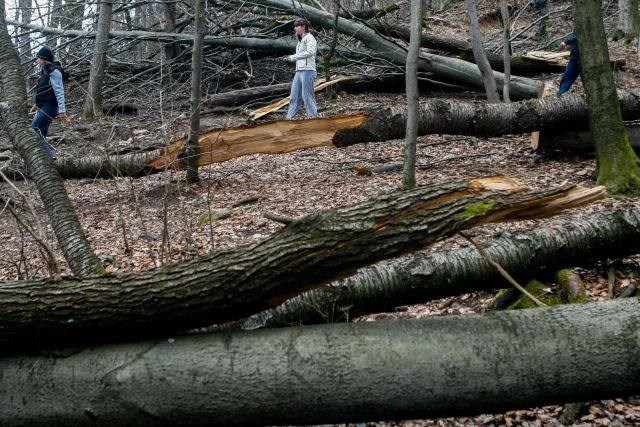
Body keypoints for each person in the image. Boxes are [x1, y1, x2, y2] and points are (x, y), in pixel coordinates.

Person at [32, 46, 68, 158]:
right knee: (41, 135)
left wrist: (62, 111)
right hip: (42, 107)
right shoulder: (44, 72)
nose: (37, 60)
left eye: (38, 58)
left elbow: (59, 92)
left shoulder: (54, 71)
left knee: (34, 131)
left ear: (44, 58)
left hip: (49, 108)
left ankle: (53, 156)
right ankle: (45, 160)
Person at [284, 18, 318, 119]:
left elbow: (310, 52)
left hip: (308, 70)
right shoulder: (300, 40)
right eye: (294, 26)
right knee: (294, 97)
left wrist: (293, 57)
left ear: (303, 26)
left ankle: (313, 118)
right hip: (299, 71)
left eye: (297, 26)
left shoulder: (310, 38)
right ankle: (288, 119)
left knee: (307, 96)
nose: (295, 28)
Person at [557, 29, 581, 96]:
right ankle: (560, 95)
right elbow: (575, 36)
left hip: (585, 59)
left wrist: (566, 42)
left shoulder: (586, 22)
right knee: (567, 76)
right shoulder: (577, 24)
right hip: (574, 57)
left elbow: (577, 36)